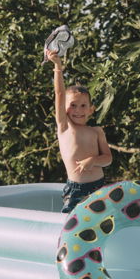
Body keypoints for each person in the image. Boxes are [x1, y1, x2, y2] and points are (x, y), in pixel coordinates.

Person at [46, 49, 112, 213]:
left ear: (91, 109)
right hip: (77, 189)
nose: (78, 110)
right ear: (65, 109)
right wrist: (58, 67)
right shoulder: (65, 126)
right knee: (70, 224)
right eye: (73, 105)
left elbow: (108, 159)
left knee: (101, 223)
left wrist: (93, 160)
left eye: (83, 106)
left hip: (99, 187)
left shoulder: (97, 131)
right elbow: (59, 93)